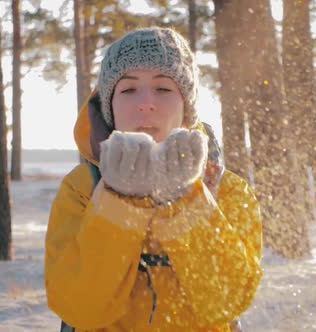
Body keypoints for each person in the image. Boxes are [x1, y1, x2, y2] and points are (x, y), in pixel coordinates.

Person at [45, 27, 262, 332]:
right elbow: (80, 309)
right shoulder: (82, 189)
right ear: (110, 110)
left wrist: (185, 199)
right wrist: (118, 200)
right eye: (128, 90)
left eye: (163, 89)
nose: (146, 103)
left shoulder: (226, 190)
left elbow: (227, 302)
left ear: (187, 109)